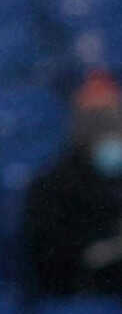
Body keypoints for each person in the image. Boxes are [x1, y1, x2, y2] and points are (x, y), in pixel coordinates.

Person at [23, 70, 122, 298]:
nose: (104, 128)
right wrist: (102, 250)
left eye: (111, 118)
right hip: (85, 291)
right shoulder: (52, 187)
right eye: (95, 119)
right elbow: (46, 259)